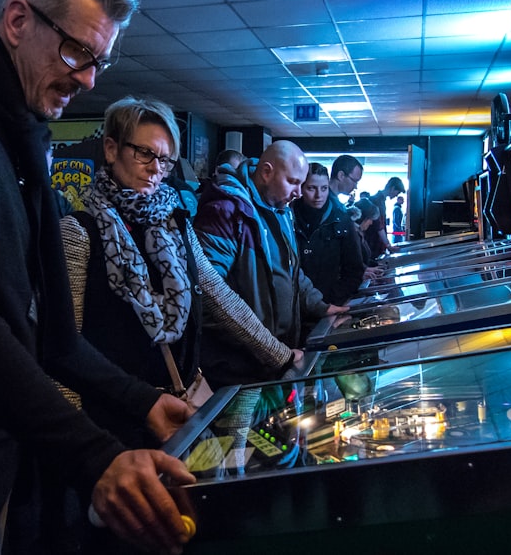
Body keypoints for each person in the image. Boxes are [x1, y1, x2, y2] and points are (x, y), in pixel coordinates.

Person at [0, 0, 194, 554]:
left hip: (5, 471)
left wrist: (145, 403)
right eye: (78, 52)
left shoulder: (22, 137)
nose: (88, 79)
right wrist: (97, 456)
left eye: (98, 63)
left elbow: (53, 338)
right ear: (18, 22)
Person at [60, 97, 296, 449]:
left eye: (165, 159)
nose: (156, 168)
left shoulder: (176, 226)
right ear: (111, 149)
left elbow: (218, 296)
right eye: (145, 153)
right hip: (112, 427)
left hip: (179, 412)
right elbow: (63, 350)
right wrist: (83, 449)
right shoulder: (79, 232)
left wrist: (282, 356)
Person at [194, 141, 348, 384]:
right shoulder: (224, 211)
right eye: (293, 182)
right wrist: (273, 351)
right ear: (266, 172)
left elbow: (291, 270)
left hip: (277, 358)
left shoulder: (281, 209)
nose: (299, 193)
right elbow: (209, 297)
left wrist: (321, 306)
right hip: (237, 368)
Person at [292, 163, 366, 305]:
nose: (319, 195)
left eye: (324, 188)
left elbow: (354, 270)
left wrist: (331, 300)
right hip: (293, 306)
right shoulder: (287, 216)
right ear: (301, 187)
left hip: (328, 303)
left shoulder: (342, 219)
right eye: (311, 188)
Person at [364, 176, 405, 258]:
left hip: (374, 244)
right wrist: (388, 245)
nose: (396, 195)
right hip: (373, 244)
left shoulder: (379, 200)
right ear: (392, 188)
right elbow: (379, 226)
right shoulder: (377, 201)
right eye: (397, 192)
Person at [350, 197, 383, 281]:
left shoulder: (359, 233)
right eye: (370, 219)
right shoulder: (351, 235)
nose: (371, 223)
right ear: (363, 218)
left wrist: (376, 265)